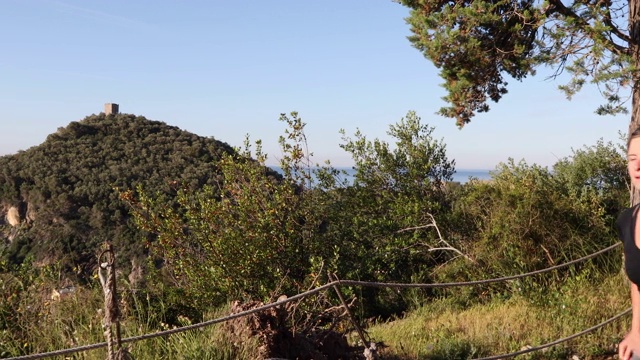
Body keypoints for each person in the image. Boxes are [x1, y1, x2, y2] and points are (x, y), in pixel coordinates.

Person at [618, 127, 640, 360]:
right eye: (632, 159)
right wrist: (636, 332)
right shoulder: (628, 220)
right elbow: (638, 282)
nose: (637, 166)